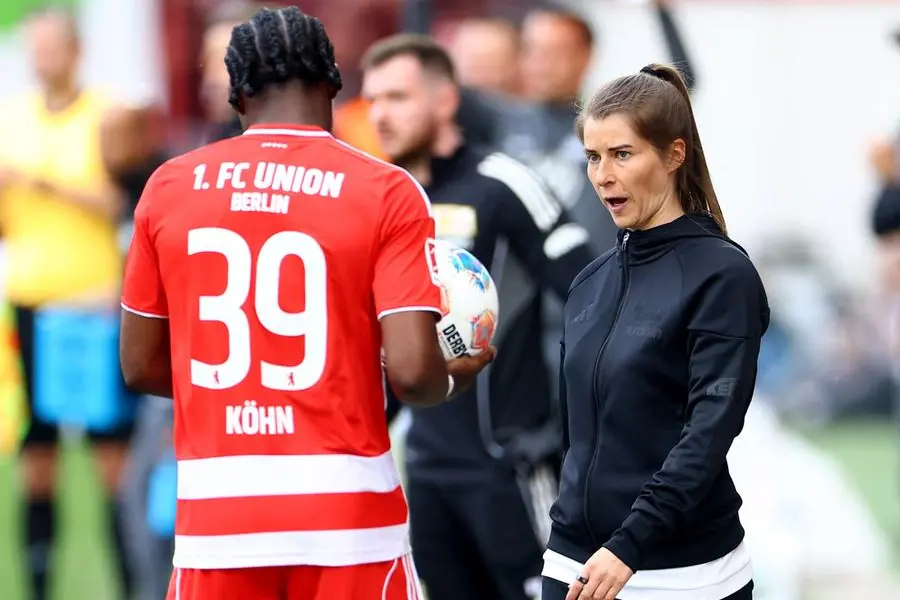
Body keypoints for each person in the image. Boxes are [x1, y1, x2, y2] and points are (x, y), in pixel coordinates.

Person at [118, 7, 493, 600]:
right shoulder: (387, 190)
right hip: (349, 520)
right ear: (334, 86)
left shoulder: (169, 186)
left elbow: (139, 365)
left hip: (217, 518)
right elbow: (414, 374)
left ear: (237, 95)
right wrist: (455, 379)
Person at [361, 34, 596, 600]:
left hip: (509, 465)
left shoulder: (503, 184)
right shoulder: (380, 199)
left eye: (397, 97)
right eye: (373, 100)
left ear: (445, 100)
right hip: (425, 469)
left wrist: (579, 425)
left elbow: (594, 295)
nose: (380, 115)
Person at [542, 64, 769, 600]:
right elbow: (575, 434)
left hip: (684, 573)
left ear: (673, 155)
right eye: (593, 157)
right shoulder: (588, 282)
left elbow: (708, 432)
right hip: (574, 562)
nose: (603, 175)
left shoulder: (722, 275)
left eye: (622, 154)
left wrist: (630, 544)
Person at [0, 8, 132, 600]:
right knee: (37, 461)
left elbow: (121, 202)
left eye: (51, 47)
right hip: (30, 303)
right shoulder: (12, 119)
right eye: (34, 48)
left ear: (76, 51)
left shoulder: (106, 114)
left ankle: (131, 582)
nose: (41, 59)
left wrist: (43, 182)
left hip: (92, 307)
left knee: (112, 463)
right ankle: (37, 584)